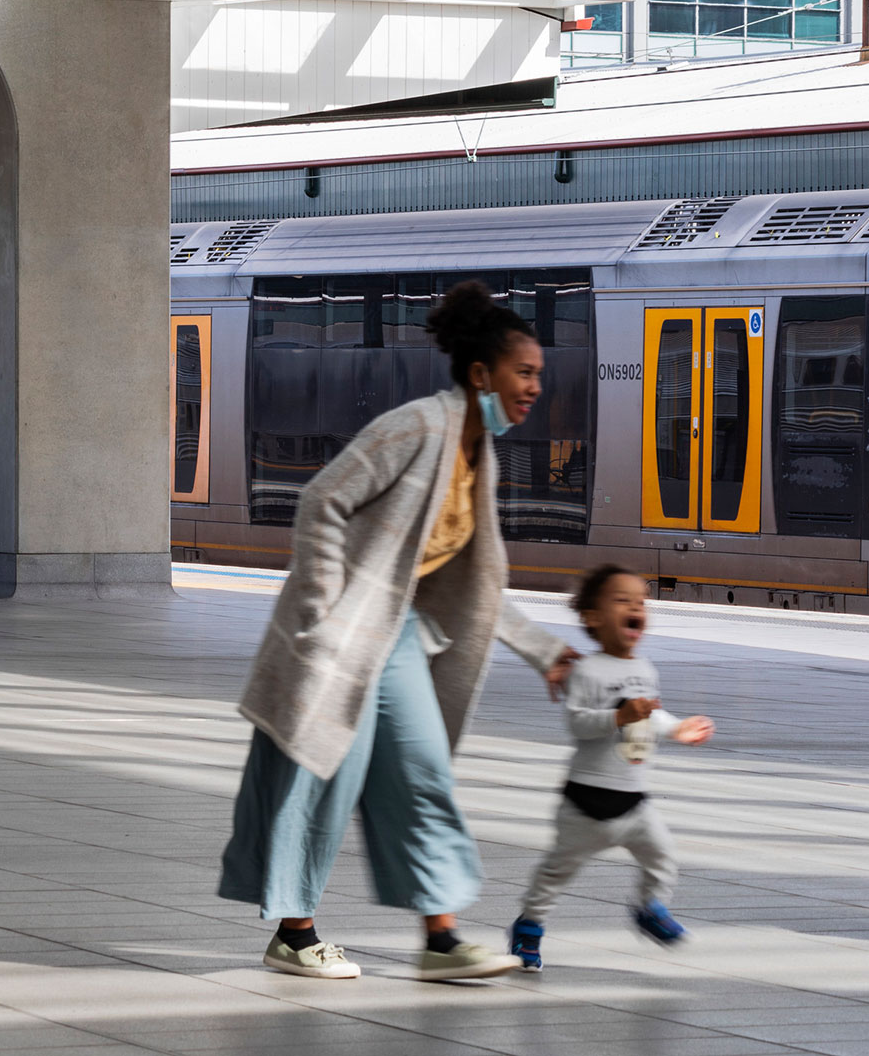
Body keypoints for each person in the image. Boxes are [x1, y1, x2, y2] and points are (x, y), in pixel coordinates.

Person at [218, 282, 576, 983]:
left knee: (422, 775)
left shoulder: (479, 454)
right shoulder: (419, 426)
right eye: (525, 372)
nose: (536, 386)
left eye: (538, 374)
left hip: (399, 632)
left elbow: (474, 585)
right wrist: (321, 609)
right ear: (481, 375)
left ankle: (441, 941)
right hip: (345, 632)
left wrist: (546, 651)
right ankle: (295, 934)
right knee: (319, 774)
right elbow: (323, 497)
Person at [508, 563, 715, 972]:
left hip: (634, 802)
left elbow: (649, 716)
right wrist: (618, 717)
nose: (635, 607)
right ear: (593, 618)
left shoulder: (645, 670)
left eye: (641, 601)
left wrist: (677, 729)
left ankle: (647, 909)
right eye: (622, 600)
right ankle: (529, 926)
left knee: (663, 858)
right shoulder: (587, 670)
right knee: (555, 874)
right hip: (585, 802)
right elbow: (577, 723)